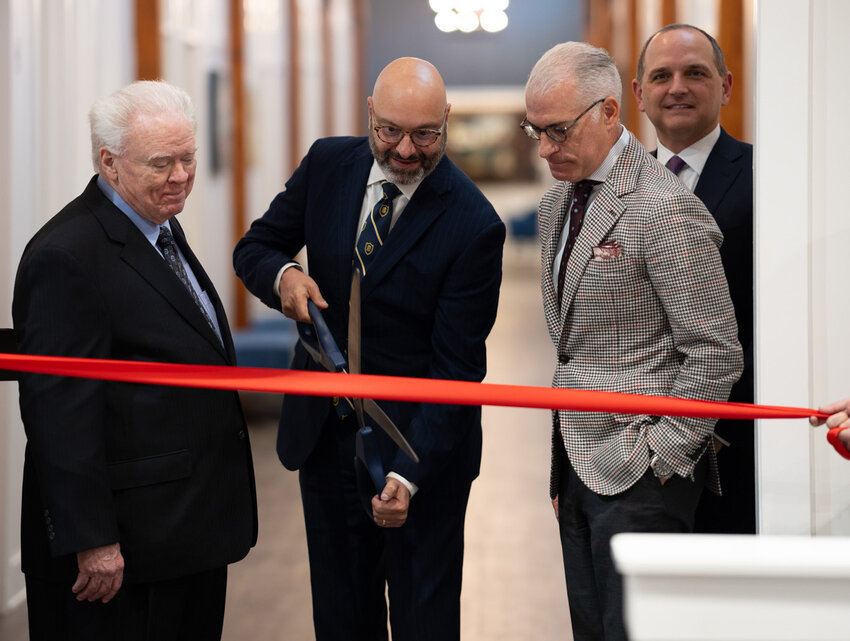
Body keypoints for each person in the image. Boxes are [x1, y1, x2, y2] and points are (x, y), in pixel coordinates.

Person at [233, 57, 505, 641]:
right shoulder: (329, 163)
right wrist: (283, 277)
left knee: (421, 620)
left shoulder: (474, 223)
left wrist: (407, 478)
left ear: (447, 121)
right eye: (390, 131)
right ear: (369, 115)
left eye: (426, 134)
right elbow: (257, 245)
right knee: (340, 617)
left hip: (420, 450)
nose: (406, 150)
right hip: (325, 441)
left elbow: (456, 373)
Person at [12, 80, 257, 641]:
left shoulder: (157, 224)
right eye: (162, 162)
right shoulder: (66, 256)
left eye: (189, 157)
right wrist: (91, 539)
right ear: (109, 162)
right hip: (121, 556)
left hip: (184, 533)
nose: (181, 176)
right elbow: (58, 412)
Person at [523, 42, 742, 641]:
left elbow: (716, 350)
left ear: (610, 111)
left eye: (559, 131)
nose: (545, 149)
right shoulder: (553, 207)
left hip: (643, 475)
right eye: (534, 131)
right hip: (575, 465)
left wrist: (662, 457)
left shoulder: (663, 206)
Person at [632, 24, 755, 534]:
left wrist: (717, 428)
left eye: (695, 73)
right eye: (661, 76)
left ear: (725, 86)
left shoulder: (765, 180)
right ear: (639, 95)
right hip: (634, 456)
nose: (677, 87)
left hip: (734, 453)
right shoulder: (620, 189)